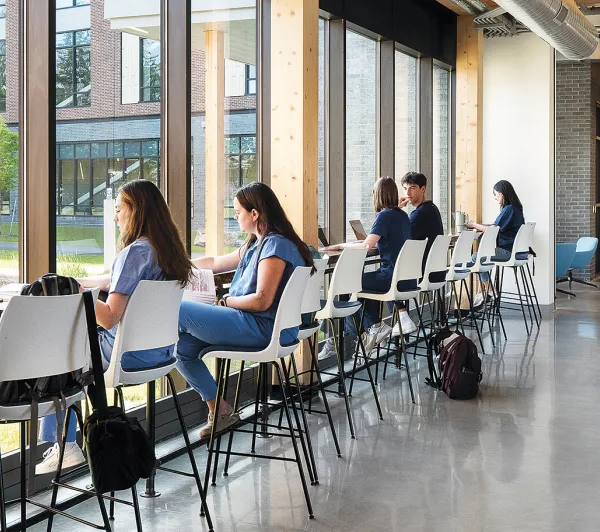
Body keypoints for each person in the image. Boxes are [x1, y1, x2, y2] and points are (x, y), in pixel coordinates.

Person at [30, 180, 195, 474]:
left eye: (119, 209)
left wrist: (75, 294)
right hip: (161, 355)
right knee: (75, 351)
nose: (116, 216)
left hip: (124, 356)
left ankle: (65, 445)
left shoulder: (134, 253)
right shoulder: (167, 253)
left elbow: (108, 317)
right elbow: (117, 285)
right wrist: (87, 284)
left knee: (61, 347)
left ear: (136, 211)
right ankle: (67, 440)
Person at [175, 182, 313, 438]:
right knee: (182, 349)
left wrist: (225, 302)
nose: (235, 215)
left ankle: (141, 355)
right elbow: (215, 262)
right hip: (260, 325)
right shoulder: (256, 244)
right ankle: (220, 410)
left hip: (263, 328)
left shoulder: (276, 246)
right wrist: (176, 265)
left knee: (179, 310)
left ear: (255, 213)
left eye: (238, 211)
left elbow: (262, 300)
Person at [321, 177, 414, 358]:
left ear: (377, 194)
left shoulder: (385, 215)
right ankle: (370, 330)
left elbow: (366, 246)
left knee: (349, 283)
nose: (372, 194)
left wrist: (341, 246)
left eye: (373, 191)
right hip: (406, 278)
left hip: (390, 277)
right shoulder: (402, 215)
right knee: (362, 288)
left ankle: (349, 335)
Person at [467, 180, 525, 261]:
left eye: (495, 194)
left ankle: (486, 274)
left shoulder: (509, 209)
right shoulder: (517, 208)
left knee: (476, 257)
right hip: (519, 251)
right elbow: (496, 227)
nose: (495, 197)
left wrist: (473, 224)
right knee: (481, 255)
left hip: (508, 251)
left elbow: (492, 230)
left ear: (501, 194)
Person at [400, 172, 444, 275]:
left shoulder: (420, 214)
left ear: (423, 189)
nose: (408, 193)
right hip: (436, 270)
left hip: (422, 272)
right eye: (405, 188)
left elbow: (402, 238)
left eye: (413, 188)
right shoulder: (432, 208)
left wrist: (396, 209)